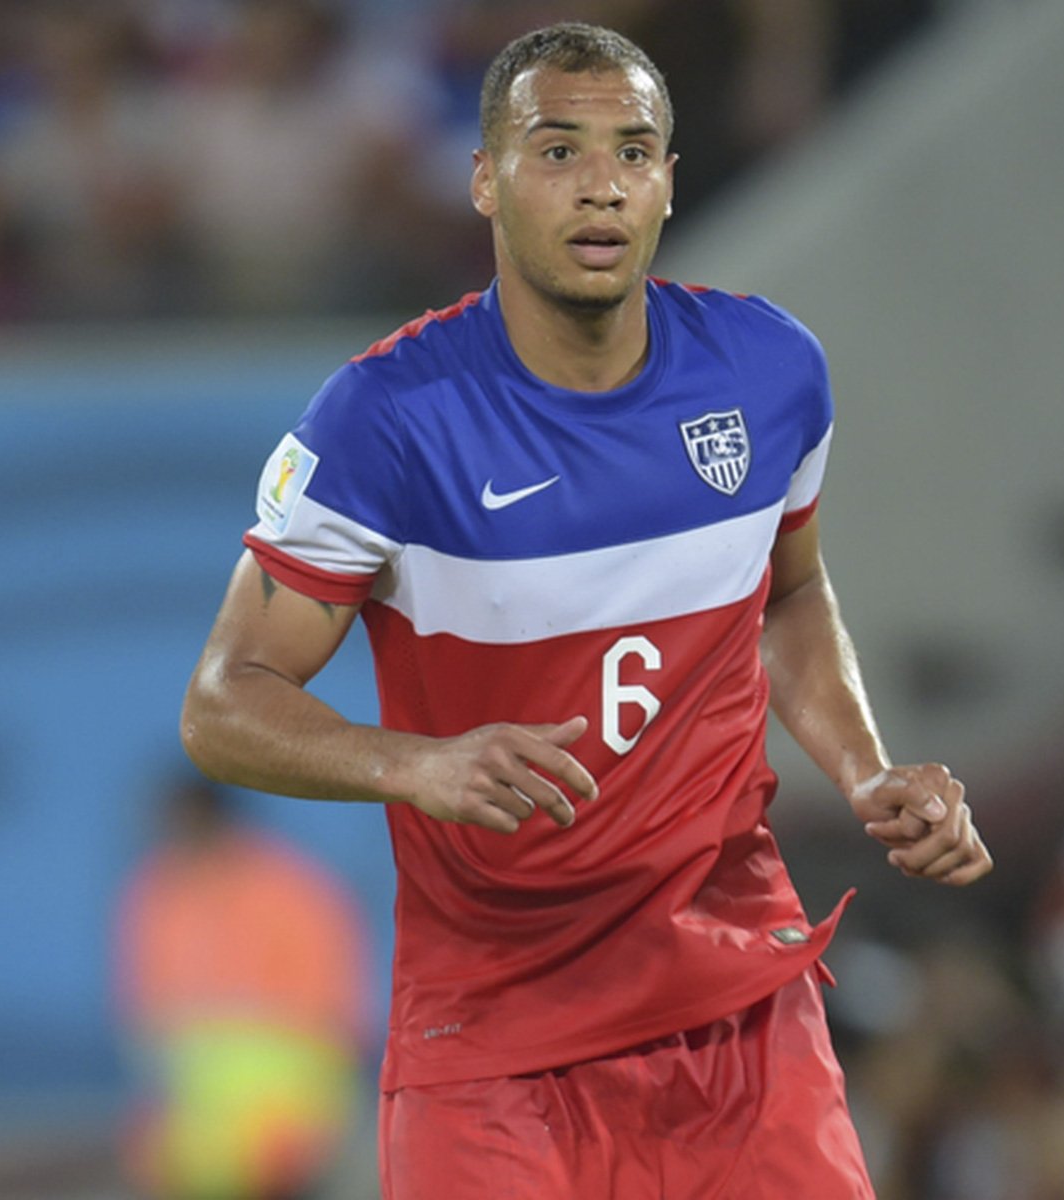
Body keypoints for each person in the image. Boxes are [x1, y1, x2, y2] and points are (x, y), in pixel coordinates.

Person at [181, 21, 992, 1199]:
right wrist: (417, 764)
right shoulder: (386, 422)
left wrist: (865, 772)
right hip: (496, 1039)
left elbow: (791, 595)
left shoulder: (769, 374)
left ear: (667, 181)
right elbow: (222, 705)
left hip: (737, 1012)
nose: (601, 183)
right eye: (556, 150)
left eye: (633, 150)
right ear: (483, 180)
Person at [114, 776, 372, 1200]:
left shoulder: (294, 887)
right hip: (194, 1102)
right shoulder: (153, 892)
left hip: (288, 1103)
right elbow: (145, 1019)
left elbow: (334, 1021)